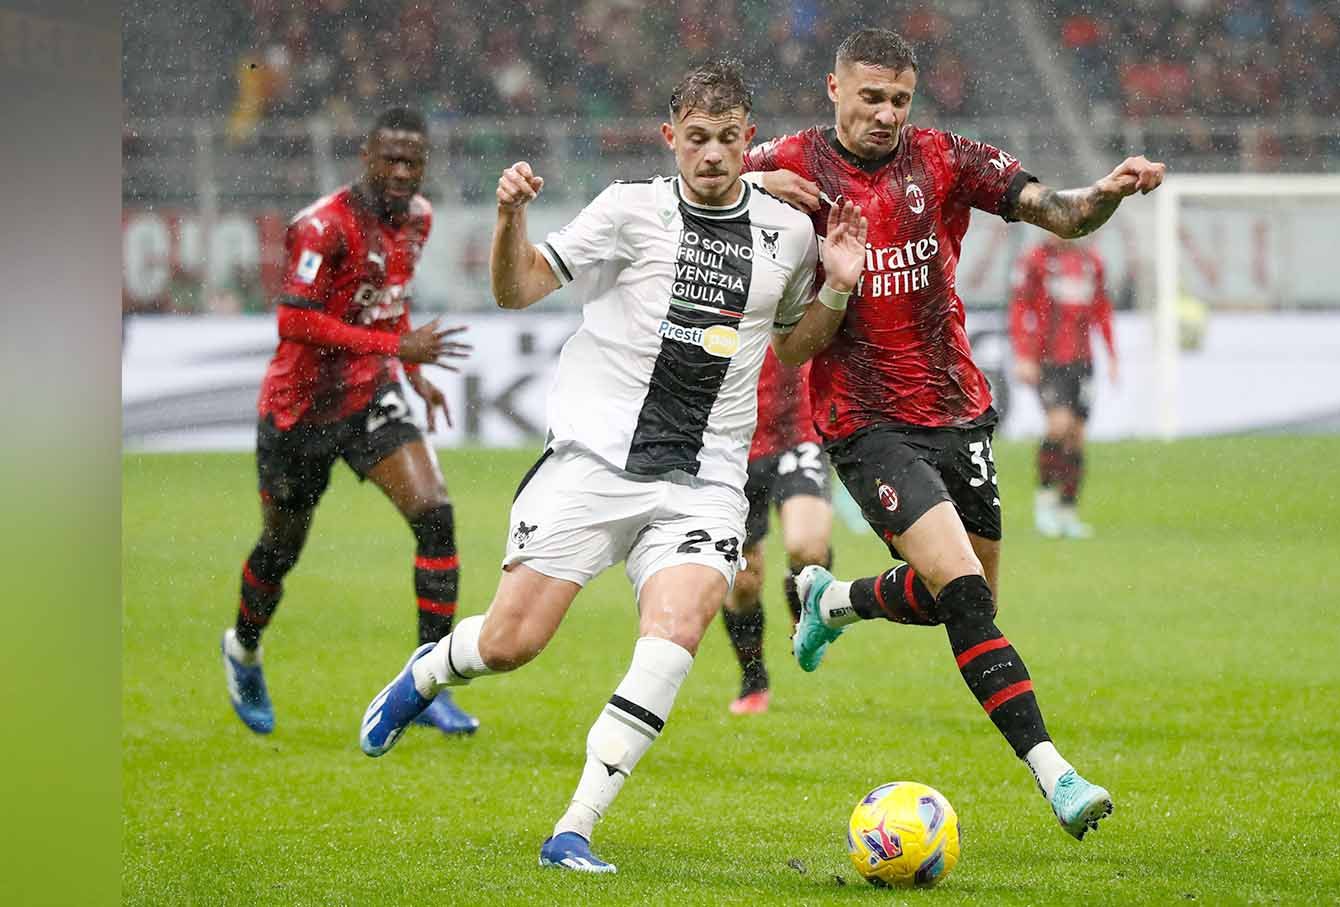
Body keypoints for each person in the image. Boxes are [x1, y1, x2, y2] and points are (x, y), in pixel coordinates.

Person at [358, 60, 869, 874]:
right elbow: (517, 289)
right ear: (671, 139)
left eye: (728, 139)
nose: (712, 154)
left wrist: (836, 291)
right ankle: (429, 670)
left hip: (705, 481)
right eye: (696, 139)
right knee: (512, 641)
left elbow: (792, 346)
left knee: (673, 639)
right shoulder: (629, 210)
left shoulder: (789, 231)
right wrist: (507, 219)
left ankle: (575, 827)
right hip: (594, 463)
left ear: (747, 138)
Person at [744, 27, 1164, 841]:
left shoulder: (943, 158)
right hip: (864, 422)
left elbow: (1061, 212)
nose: (886, 114)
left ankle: (833, 599)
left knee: (962, 601)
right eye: (870, 97)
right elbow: (702, 182)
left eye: (899, 99)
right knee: (967, 595)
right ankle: (1057, 772)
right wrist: (758, 188)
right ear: (835, 91)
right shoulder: (789, 162)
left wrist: (1106, 191)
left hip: (958, 405)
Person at [221, 107, 478, 737]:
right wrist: (398, 350)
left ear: (424, 167)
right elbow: (294, 322)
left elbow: (387, 299)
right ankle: (244, 650)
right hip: (298, 409)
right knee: (281, 549)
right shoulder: (323, 226)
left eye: (411, 162)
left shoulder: (418, 218)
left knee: (435, 517)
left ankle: (426, 684)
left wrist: (411, 373)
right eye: (388, 158)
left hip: (368, 398)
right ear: (365, 156)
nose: (400, 171)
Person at [721, 349, 833, 714]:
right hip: (734, 443)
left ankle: (805, 603)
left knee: (808, 547)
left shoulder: (797, 291)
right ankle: (753, 678)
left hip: (799, 433)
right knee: (743, 583)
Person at [1009, 234, 1118, 539]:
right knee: (1058, 426)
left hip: (1083, 362)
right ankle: (1044, 501)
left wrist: (1112, 355)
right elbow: (1020, 307)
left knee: (1077, 437)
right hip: (1048, 359)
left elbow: (1102, 309)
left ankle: (1068, 510)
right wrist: (1023, 355)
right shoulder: (1035, 260)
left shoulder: (1091, 262)